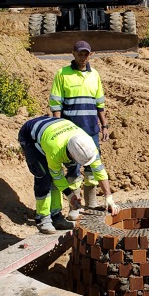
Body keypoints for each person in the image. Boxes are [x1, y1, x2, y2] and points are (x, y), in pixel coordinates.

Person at [18, 115, 119, 234]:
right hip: (30, 136)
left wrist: (108, 197)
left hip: (56, 129)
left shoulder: (87, 144)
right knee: (44, 176)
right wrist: (70, 195)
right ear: (71, 155)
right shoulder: (55, 150)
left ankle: (56, 216)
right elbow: (57, 176)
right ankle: (42, 218)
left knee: (66, 170)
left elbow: (99, 170)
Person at [49, 39, 109, 209]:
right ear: (73, 54)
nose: (83, 57)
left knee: (92, 168)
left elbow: (100, 103)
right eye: (80, 53)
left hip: (91, 130)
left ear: (90, 55)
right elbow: (56, 103)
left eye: (86, 54)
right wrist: (58, 126)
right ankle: (74, 206)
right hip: (70, 132)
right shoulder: (62, 74)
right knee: (73, 169)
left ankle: (91, 204)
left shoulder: (94, 75)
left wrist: (104, 125)